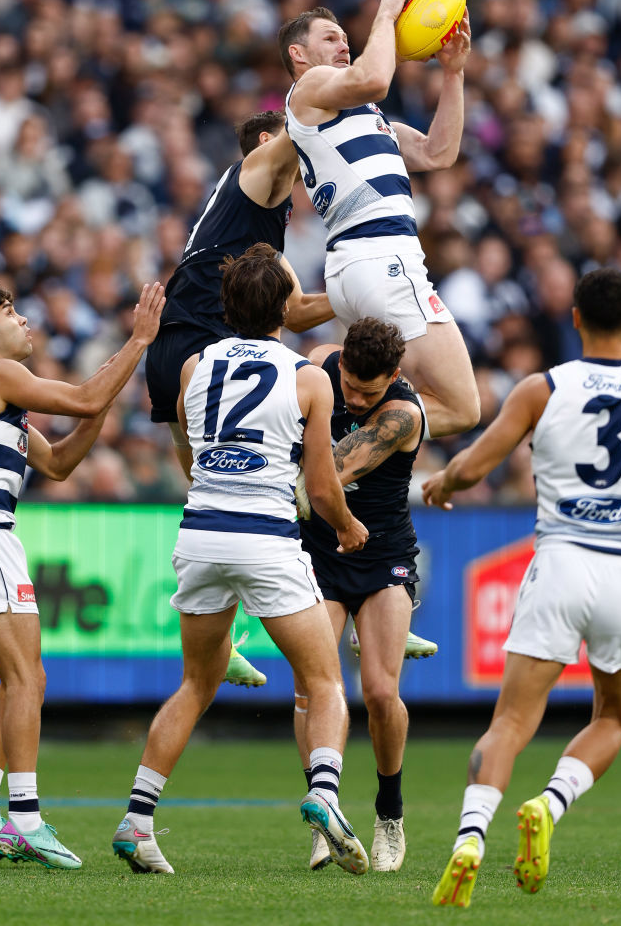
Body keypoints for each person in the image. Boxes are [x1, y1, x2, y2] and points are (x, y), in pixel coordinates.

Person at [423, 268, 621, 908]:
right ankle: (549, 805)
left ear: (576, 319)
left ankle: (470, 839)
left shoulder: (542, 387)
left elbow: (478, 462)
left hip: (560, 563)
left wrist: (443, 486)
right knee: (614, 716)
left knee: (508, 722)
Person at [112, 243, 371, 876]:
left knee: (196, 684)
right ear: (287, 306)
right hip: (265, 538)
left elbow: (187, 447)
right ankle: (325, 796)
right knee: (324, 681)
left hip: (200, 534)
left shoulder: (194, 366)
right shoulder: (310, 377)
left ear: (226, 307)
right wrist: (347, 526)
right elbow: (320, 488)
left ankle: (137, 820)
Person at [0, 281, 166, 870]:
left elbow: (58, 463)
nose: (24, 320)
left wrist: (103, 396)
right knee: (28, 680)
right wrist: (138, 341)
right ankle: (27, 818)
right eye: (10, 313)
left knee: (20, 678)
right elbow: (84, 398)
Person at [147, 109, 332, 688]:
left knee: (212, 492)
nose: (302, 181)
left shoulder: (258, 234)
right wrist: (329, 90)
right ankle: (368, 593)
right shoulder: (252, 175)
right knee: (320, 439)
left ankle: (220, 639)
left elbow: (297, 311)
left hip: (175, 349)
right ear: (263, 142)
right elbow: (297, 131)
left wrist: (364, 295)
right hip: (207, 344)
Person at [278, 0, 480, 440]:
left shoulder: (363, 113)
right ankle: (335, 448)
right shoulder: (309, 87)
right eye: (330, 38)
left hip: (356, 270)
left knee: (382, 398)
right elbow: (376, 79)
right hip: (385, 260)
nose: (344, 44)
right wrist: (388, 9)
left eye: (345, 37)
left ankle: (327, 382)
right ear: (299, 54)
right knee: (461, 407)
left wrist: (454, 74)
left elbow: (438, 152)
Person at [293, 317, 424, 874]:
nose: (352, 396)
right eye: (347, 384)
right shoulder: (323, 362)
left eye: (366, 392)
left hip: (382, 554)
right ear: (341, 361)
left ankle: (389, 814)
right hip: (321, 557)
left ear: (393, 376)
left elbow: (313, 487)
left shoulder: (402, 413)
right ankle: (326, 812)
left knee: (378, 691)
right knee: (315, 687)